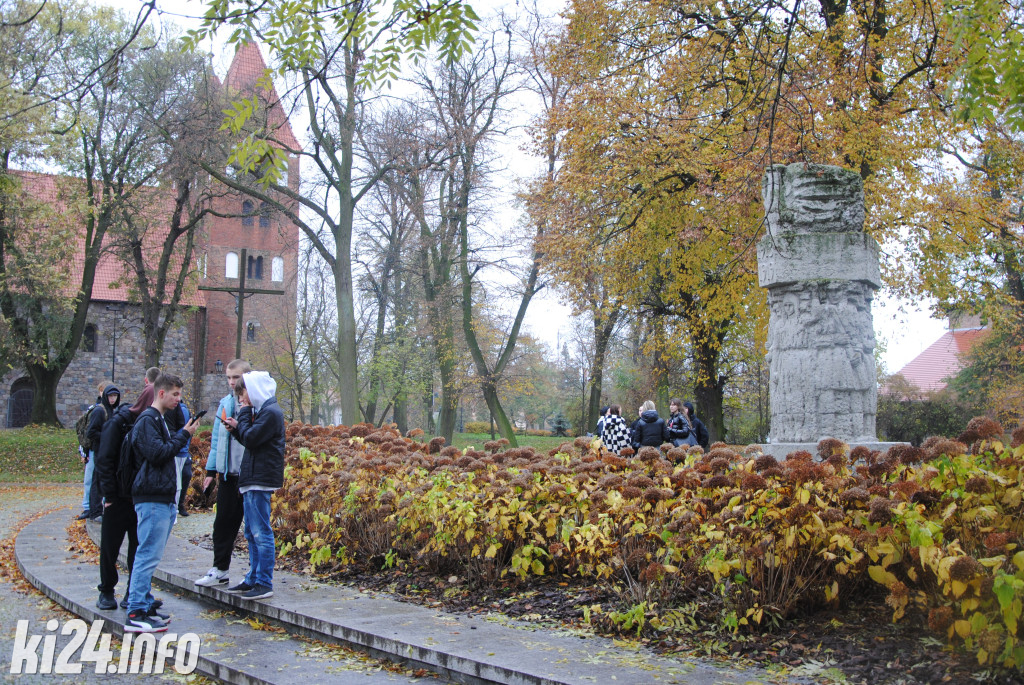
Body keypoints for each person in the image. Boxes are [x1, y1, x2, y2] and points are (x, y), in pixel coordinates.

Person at [124, 373, 199, 633]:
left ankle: (144, 602)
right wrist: (184, 435)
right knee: (147, 554)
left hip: (163, 496)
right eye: (175, 394)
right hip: (152, 497)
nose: (179, 399)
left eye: (180, 394)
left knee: (151, 555)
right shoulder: (147, 420)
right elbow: (157, 454)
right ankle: (135, 610)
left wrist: (180, 432)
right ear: (161, 393)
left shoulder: (160, 419)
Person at [224, 371, 285, 600]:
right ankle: (253, 577)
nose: (241, 399)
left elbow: (251, 438)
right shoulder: (264, 412)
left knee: (261, 532)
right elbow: (251, 441)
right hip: (253, 477)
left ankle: (263, 581)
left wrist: (243, 414)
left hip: (261, 479)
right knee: (251, 531)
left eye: (243, 393)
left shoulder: (270, 413)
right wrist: (237, 429)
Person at [94, 381, 154, 610]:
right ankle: (106, 590)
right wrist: (108, 494)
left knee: (138, 547)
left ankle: (133, 590)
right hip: (118, 496)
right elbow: (105, 460)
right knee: (110, 546)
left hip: (139, 497)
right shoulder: (118, 423)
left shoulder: (152, 423)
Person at [194, 359, 250, 589]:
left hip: (250, 475)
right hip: (228, 474)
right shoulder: (225, 402)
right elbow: (217, 439)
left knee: (254, 528)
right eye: (228, 377)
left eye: (235, 377)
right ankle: (220, 569)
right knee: (222, 524)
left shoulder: (256, 403)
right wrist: (211, 470)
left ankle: (256, 575)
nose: (231, 382)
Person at [79, 383, 120, 521]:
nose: (113, 399)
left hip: (106, 450)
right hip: (98, 450)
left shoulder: (111, 410)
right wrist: (107, 436)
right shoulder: (99, 411)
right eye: (110, 396)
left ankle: (98, 510)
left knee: (101, 480)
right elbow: (91, 432)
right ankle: (94, 511)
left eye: (115, 396)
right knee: (95, 480)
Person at [164, 398, 193, 518]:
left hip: (183, 450)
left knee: (185, 476)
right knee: (177, 481)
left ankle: (179, 505)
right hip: (177, 449)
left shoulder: (184, 410)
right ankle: (175, 507)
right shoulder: (169, 411)